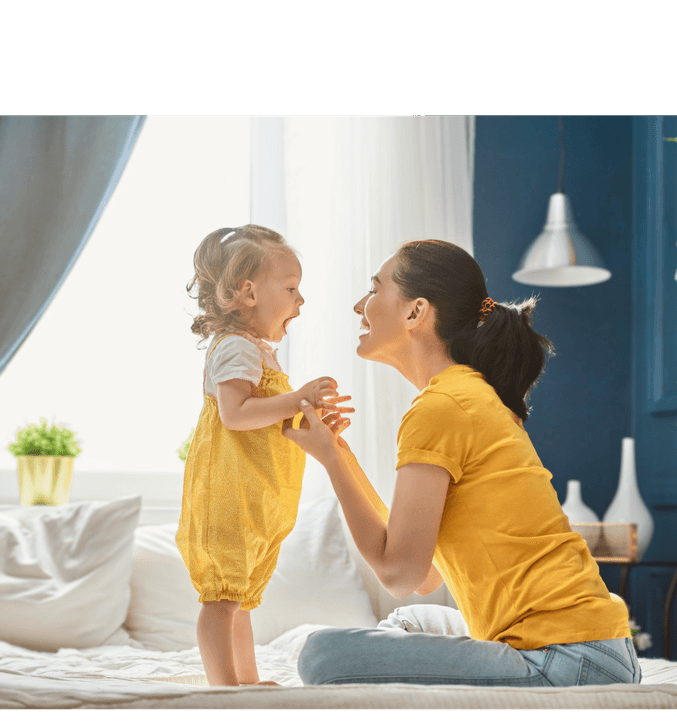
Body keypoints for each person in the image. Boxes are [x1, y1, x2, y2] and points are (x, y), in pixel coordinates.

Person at [284, 239, 641, 687]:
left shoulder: (441, 407)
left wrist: (331, 463)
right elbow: (426, 575)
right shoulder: (466, 394)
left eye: (374, 289)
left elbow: (398, 572)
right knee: (412, 618)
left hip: (565, 658)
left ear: (416, 312)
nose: (361, 304)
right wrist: (338, 453)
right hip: (596, 648)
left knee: (320, 655)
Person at [176, 224, 353, 687]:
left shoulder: (258, 352)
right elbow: (235, 415)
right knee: (222, 600)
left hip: (254, 498)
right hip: (229, 497)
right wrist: (297, 398)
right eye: (291, 288)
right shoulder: (235, 347)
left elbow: (264, 420)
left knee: (239, 600)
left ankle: (246, 683)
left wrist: (310, 417)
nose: (300, 301)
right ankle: (223, 688)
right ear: (247, 292)